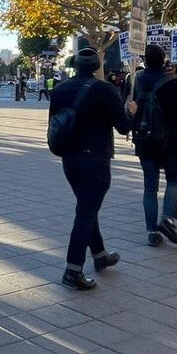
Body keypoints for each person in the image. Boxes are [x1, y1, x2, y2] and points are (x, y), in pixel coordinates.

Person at [49, 47, 135, 291]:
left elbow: (54, 124)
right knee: (86, 212)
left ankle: (99, 254)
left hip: (69, 158)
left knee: (87, 207)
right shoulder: (105, 89)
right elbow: (123, 127)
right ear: (97, 66)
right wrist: (131, 111)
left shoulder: (60, 90)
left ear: (74, 65)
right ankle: (72, 270)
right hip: (95, 158)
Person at [132, 44, 177, 247]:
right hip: (170, 140)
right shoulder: (174, 83)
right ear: (164, 59)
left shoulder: (136, 80)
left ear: (145, 61)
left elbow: (130, 108)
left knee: (150, 186)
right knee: (174, 180)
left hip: (144, 139)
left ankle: (151, 232)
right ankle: (166, 218)